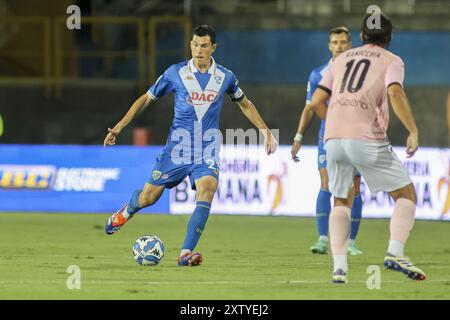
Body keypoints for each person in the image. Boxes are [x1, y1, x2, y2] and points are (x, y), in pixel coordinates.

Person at [103, 25, 278, 267]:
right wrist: (120, 126)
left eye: (204, 45)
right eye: (195, 45)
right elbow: (146, 98)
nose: (198, 50)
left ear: (213, 47)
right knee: (148, 198)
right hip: (177, 148)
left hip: (206, 148)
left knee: (208, 188)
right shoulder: (176, 73)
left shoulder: (225, 77)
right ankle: (124, 213)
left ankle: (186, 252)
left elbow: (245, 103)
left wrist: (266, 132)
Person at [308, 13, 426, 283]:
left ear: (361, 37)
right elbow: (395, 93)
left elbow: (316, 102)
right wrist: (413, 130)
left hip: (333, 138)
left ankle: (339, 269)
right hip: (366, 137)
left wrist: (338, 122)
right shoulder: (392, 60)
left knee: (341, 199)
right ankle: (395, 252)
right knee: (405, 194)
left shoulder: (339, 60)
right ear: (389, 37)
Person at [291, 27, 363, 256]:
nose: (340, 46)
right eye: (335, 42)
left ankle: (350, 241)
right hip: (328, 136)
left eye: (343, 42)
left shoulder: (360, 73)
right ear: (329, 46)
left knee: (355, 186)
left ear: (350, 44)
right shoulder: (318, 74)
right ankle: (323, 239)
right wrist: (298, 137)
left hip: (355, 136)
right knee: (326, 183)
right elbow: (310, 107)